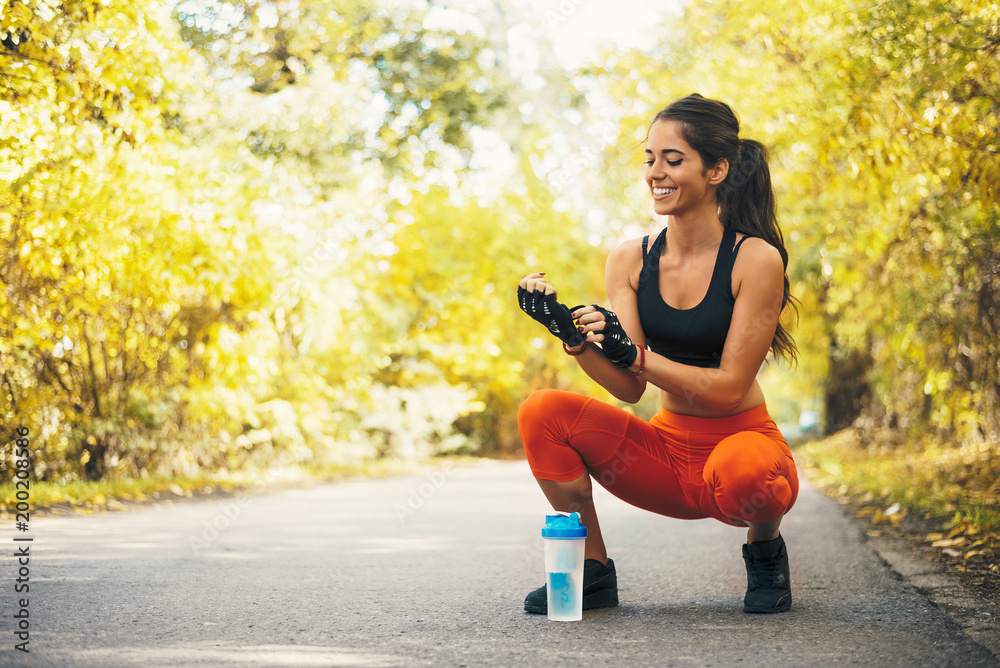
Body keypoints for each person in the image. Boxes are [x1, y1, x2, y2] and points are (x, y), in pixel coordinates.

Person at [516, 93, 799, 615]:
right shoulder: (629, 258)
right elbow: (630, 387)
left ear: (717, 170)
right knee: (541, 411)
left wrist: (636, 355)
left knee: (746, 472)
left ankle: (764, 549)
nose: (655, 173)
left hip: (742, 447)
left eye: (673, 160)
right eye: (649, 159)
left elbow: (731, 385)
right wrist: (573, 337)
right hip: (666, 459)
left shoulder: (755, 259)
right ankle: (593, 571)